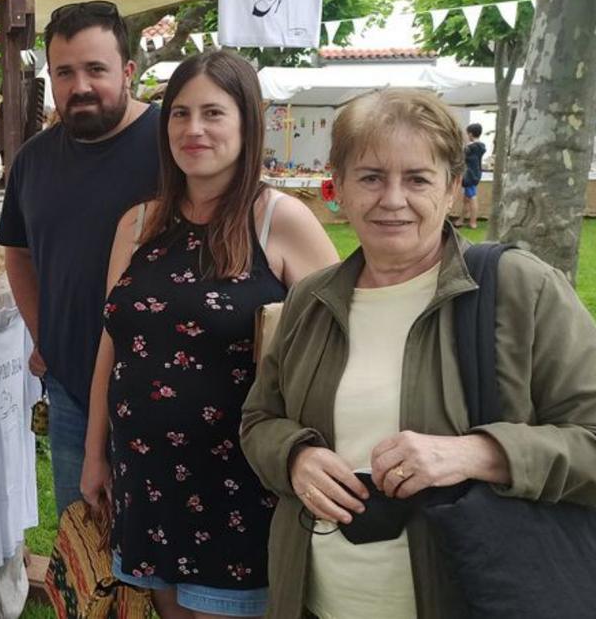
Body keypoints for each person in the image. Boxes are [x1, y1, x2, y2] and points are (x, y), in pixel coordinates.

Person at [240, 89, 596, 619]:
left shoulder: (521, 290)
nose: (392, 199)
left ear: (453, 188)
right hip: (317, 601)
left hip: (468, 597)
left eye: (418, 178)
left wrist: (477, 454)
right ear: (335, 187)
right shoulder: (310, 300)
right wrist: (295, 457)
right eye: (371, 177)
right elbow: (258, 419)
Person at [83, 51, 338, 619]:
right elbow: (112, 343)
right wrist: (95, 453)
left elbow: (339, 340)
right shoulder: (138, 223)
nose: (193, 129)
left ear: (247, 122)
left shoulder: (280, 219)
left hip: (239, 484)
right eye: (179, 114)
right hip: (145, 478)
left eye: (213, 113)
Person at [0, 0, 161, 515]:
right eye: (65, 72)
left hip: (164, 385)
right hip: (71, 385)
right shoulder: (34, 161)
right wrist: (44, 331)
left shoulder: (172, 148)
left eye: (96, 69)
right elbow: (18, 255)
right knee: (85, 539)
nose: (80, 86)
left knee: (162, 551)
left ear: (128, 71)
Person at [459, 122, 485, 229]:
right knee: (466, 198)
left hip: (470, 176)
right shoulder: (480, 146)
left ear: (470, 134)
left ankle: (473, 222)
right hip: (475, 174)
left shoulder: (470, 148)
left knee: (472, 198)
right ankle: (460, 220)